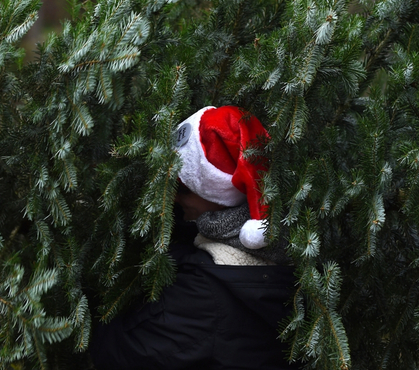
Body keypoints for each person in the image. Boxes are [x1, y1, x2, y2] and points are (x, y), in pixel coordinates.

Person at [89, 106, 298, 370]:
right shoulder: (285, 246)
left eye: (184, 188)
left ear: (222, 194)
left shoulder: (205, 294)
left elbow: (117, 351)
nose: (173, 197)